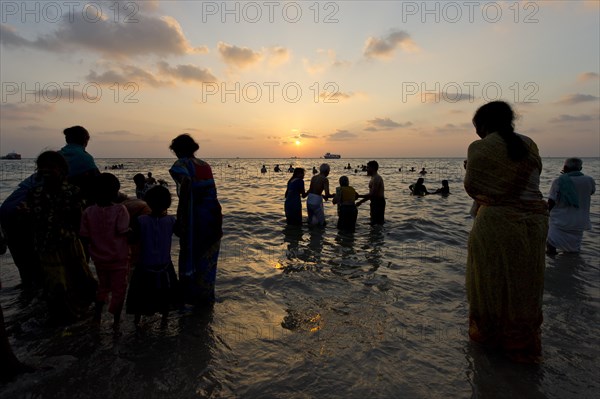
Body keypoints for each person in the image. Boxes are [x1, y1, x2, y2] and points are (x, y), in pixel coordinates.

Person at [464, 101, 548, 363]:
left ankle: (490, 339)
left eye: (477, 127)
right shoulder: (529, 144)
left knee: (490, 279)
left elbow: (474, 186)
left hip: (497, 222)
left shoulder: (480, 148)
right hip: (534, 223)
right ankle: (520, 342)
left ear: (484, 125)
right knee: (524, 282)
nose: (477, 133)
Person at [25, 151, 97, 324]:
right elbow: (32, 220)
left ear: (62, 169)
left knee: (79, 278)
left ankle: (82, 314)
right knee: (56, 283)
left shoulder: (72, 191)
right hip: (46, 245)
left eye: (51, 167)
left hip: (69, 243)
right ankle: (62, 319)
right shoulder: (34, 193)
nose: (46, 171)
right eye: (42, 167)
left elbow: (78, 219)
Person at [169, 134, 223, 306]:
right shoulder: (204, 165)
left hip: (196, 218)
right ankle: (205, 299)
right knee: (208, 258)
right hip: (213, 217)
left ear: (177, 150)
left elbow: (185, 186)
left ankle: (188, 298)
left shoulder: (181, 164)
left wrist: (180, 217)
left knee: (190, 256)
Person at [80, 173, 130, 331]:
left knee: (103, 287)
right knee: (119, 290)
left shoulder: (88, 211)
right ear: (115, 192)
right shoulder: (120, 209)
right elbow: (123, 230)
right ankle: (115, 321)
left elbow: (84, 236)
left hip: (99, 259)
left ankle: (97, 317)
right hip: (118, 258)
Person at [126, 185, 179, 327]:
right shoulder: (172, 221)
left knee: (140, 297)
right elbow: (182, 233)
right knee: (165, 296)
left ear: (147, 202)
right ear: (168, 203)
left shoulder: (141, 220)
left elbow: (132, 239)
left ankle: (137, 323)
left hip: (144, 266)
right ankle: (164, 321)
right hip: (165, 265)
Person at [546, 158, 596, 254]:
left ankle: (553, 266)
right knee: (573, 248)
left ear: (565, 167)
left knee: (551, 244)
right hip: (579, 222)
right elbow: (590, 192)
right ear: (580, 168)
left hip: (559, 221)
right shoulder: (589, 180)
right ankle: (572, 266)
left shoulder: (559, 181)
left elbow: (551, 201)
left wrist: (545, 214)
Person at [58, 125, 100, 205]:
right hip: (76, 201)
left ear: (67, 140)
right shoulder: (85, 157)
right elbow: (98, 182)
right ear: (85, 141)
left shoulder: (56, 155)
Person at [357, 160, 385, 225]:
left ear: (373, 168)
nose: (367, 169)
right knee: (373, 221)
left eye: (368, 168)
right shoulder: (373, 178)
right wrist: (360, 202)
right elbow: (371, 195)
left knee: (377, 222)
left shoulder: (377, 178)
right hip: (374, 202)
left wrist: (359, 196)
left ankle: (377, 234)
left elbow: (373, 194)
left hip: (378, 202)